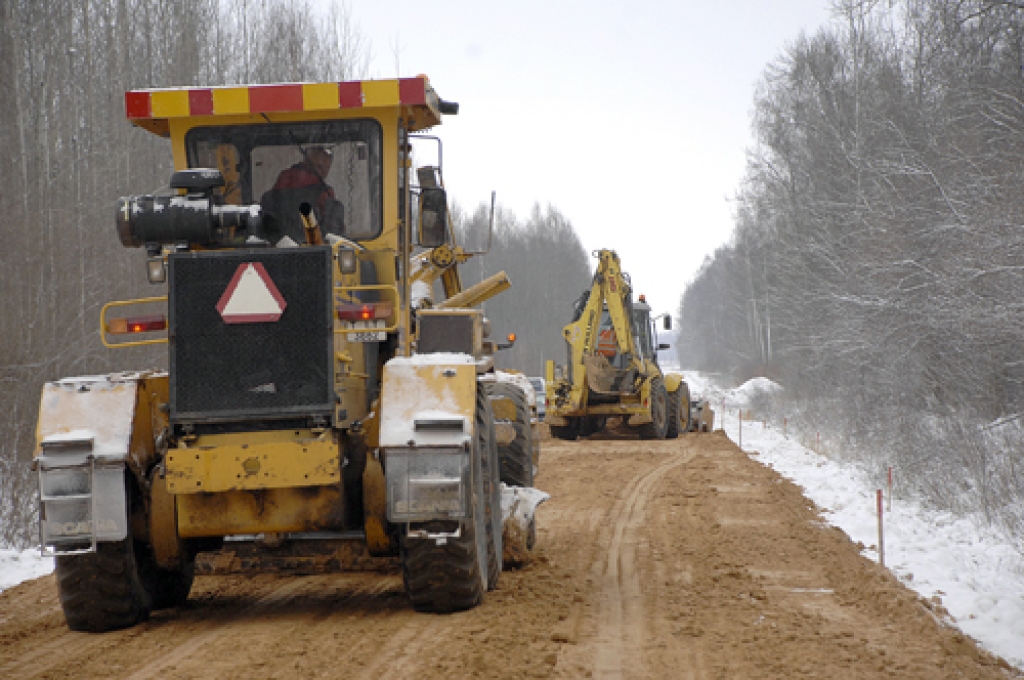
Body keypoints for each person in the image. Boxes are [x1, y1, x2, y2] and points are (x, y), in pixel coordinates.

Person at [260, 145, 345, 244]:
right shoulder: (324, 193)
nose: (325, 172)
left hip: (276, 251)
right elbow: (333, 232)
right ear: (307, 164)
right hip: (315, 250)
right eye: (320, 166)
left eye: (327, 167)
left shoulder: (275, 192)